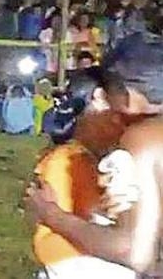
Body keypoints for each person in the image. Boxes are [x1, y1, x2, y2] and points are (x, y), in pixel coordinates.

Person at [27, 68, 163, 278]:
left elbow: (132, 252)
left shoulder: (141, 143)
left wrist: (51, 214)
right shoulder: (69, 159)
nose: (119, 120)